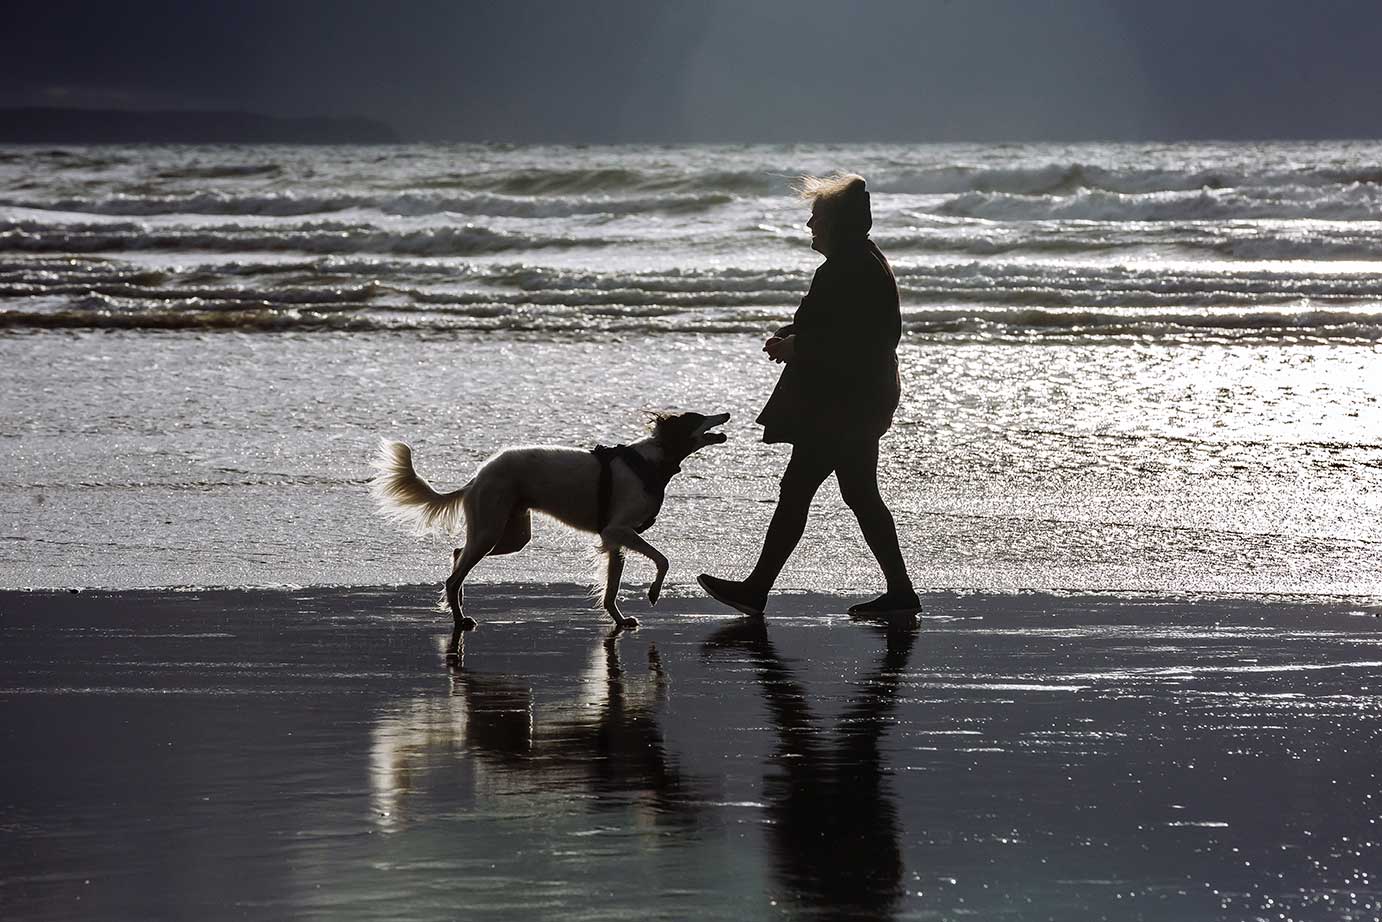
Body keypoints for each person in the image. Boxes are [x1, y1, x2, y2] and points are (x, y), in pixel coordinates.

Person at [698, 173, 920, 617]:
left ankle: (758, 590)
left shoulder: (851, 266)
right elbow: (843, 328)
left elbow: (867, 340)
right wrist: (794, 334)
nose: (809, 225)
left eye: (816, 216)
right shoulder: (857, 261)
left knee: (804, 491)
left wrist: (801, 344)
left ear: (836, 223)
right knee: (854, 494)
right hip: (853, 400)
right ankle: (899, 594)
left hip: (844, 404)